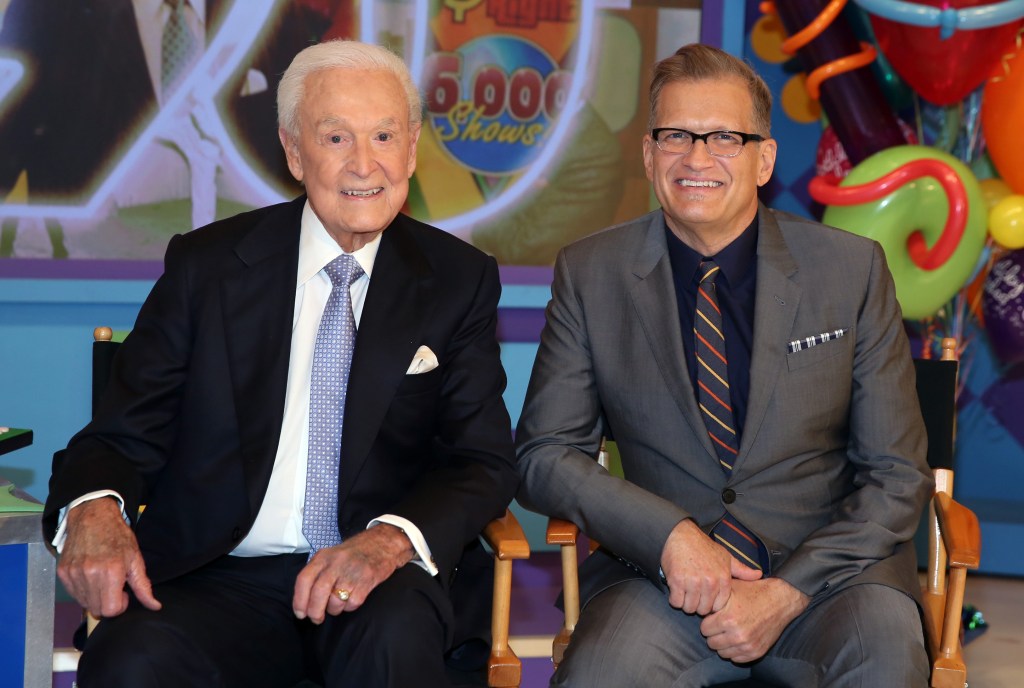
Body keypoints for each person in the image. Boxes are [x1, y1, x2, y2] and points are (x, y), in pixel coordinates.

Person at [43, 39, 518, 687]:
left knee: (394, 645)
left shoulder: (457, 280)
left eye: (383, 136)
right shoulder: (207, 268)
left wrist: (389, 540)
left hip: (375, 576)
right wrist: (96, 509)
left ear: (411, 147)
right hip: (217, 576)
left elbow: (480, 460)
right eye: (335, 138)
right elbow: (119, 438)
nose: (364, 164)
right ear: (294, 152)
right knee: (134, 661)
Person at [516, 43, 932, 686]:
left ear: (764, 158)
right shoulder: (590, 273)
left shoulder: (850, 270)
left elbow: (898, 477)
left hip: (831, 581)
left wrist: (785, 592)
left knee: (887, 660)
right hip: (661, 581)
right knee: (597, 676)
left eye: (725, 138)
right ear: (650, 153)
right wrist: (670, 535)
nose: (697, 158)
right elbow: (543, 454)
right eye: (676, 135)